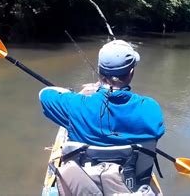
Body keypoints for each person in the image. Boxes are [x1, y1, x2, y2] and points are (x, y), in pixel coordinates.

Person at [39, 39, 165, 194]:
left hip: (81, 188)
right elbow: (155, 132)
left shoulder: (75, 105)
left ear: (99, 70)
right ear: (131, 72)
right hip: (130, 187)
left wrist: (76, 95)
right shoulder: (151, 108)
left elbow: (44, 94)